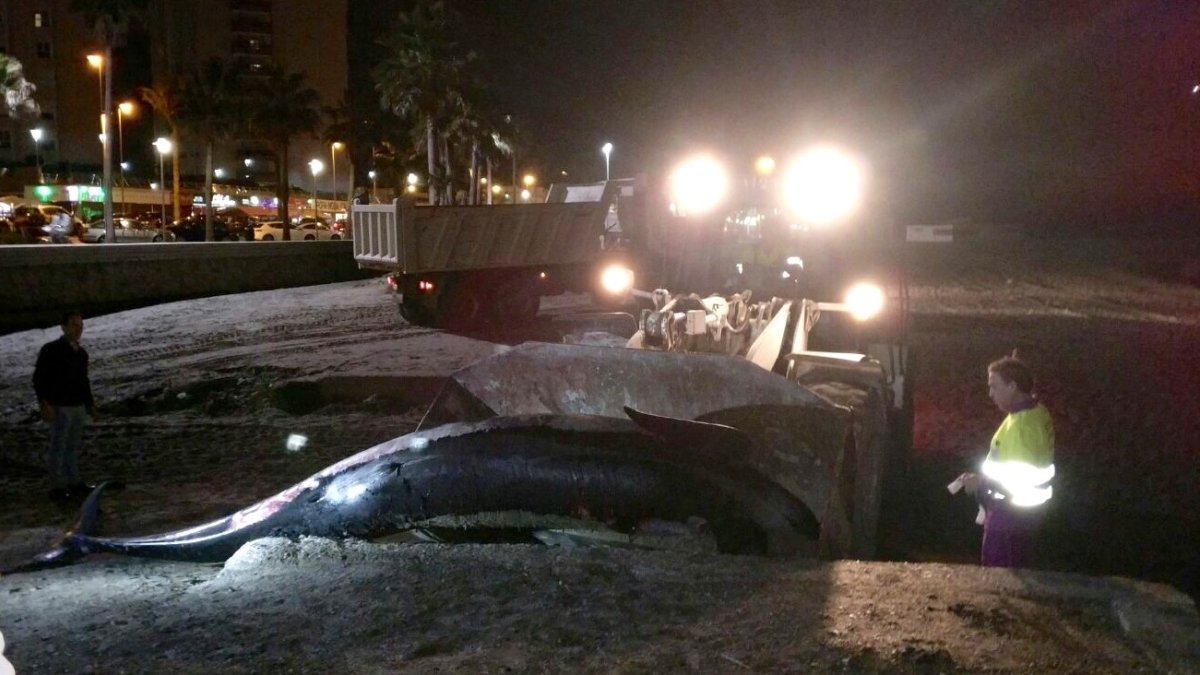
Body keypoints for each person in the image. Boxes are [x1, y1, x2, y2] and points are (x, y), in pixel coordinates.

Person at [956, 353, 1055, 568]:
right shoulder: (1035, 413)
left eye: (995, 386)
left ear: (1012, 387)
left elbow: (1019, 482)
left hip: (1009, 517)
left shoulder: (1022, 427)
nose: (990, 393)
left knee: (1000, 579)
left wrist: (980, 483)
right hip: (1024, 515)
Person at [33, 310, 96, 501]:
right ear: (64, 327)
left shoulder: (80, 353)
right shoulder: (51, 350)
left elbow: (83, 381)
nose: (78, 330)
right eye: (75, 326)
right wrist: (45, 402)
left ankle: (73, 482)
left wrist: (89, 404)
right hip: (61, 405)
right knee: (59, 446)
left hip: (76, 405)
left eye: (80, 326)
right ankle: (57, 487)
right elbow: (39, 378)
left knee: (70, 446)